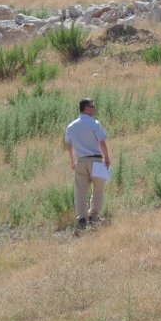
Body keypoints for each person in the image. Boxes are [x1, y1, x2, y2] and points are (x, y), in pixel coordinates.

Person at [65, 98, 111, 232]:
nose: (94, 108)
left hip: (80, 161)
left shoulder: (71, 126)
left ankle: (82, 218)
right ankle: (94, 216)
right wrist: (107, 157)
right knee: (98, 189)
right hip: (96, 160)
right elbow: (102, 142)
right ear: (86, 108)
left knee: (80, 191)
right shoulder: (95, 124)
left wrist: (73, 161)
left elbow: (69, 146)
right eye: (93, 106)